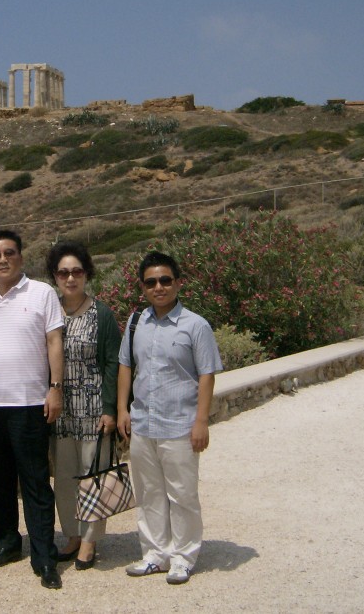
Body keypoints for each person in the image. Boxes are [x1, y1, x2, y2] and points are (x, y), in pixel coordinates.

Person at [116, 250, 223, 585]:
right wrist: (122, 409)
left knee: (182, 494)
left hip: (179, 423)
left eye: (165, 280)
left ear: (178, 282)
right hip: (143, 422)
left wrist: (201, 421)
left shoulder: (195, 325)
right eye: (151, 282)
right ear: (143, 287)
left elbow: (207, 374)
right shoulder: (136, 323)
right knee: (148, 494)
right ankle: (155, 554)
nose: (159, 287)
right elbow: (125, 367)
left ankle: (183, 557)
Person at [0, 229, 66, 590]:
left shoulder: (42, 293)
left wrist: (55, 388)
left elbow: (54, 341)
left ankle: (45, 555)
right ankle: (7, 544)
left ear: (21, 257)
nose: (2, 259)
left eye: (9, 252)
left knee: (35, 482)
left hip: (31, 404)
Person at [45, 240, 121, 571]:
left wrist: (110, 409)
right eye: (63, 273)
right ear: (55, 277)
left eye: (76, 271)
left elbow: (112, 364)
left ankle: (90, 540)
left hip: (93, 410)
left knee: (93, 475)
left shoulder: (101, 314)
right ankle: (72, 534)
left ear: (86, 273)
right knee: (64, 477)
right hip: (62, 412)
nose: (70, 278)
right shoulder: (50, 313)